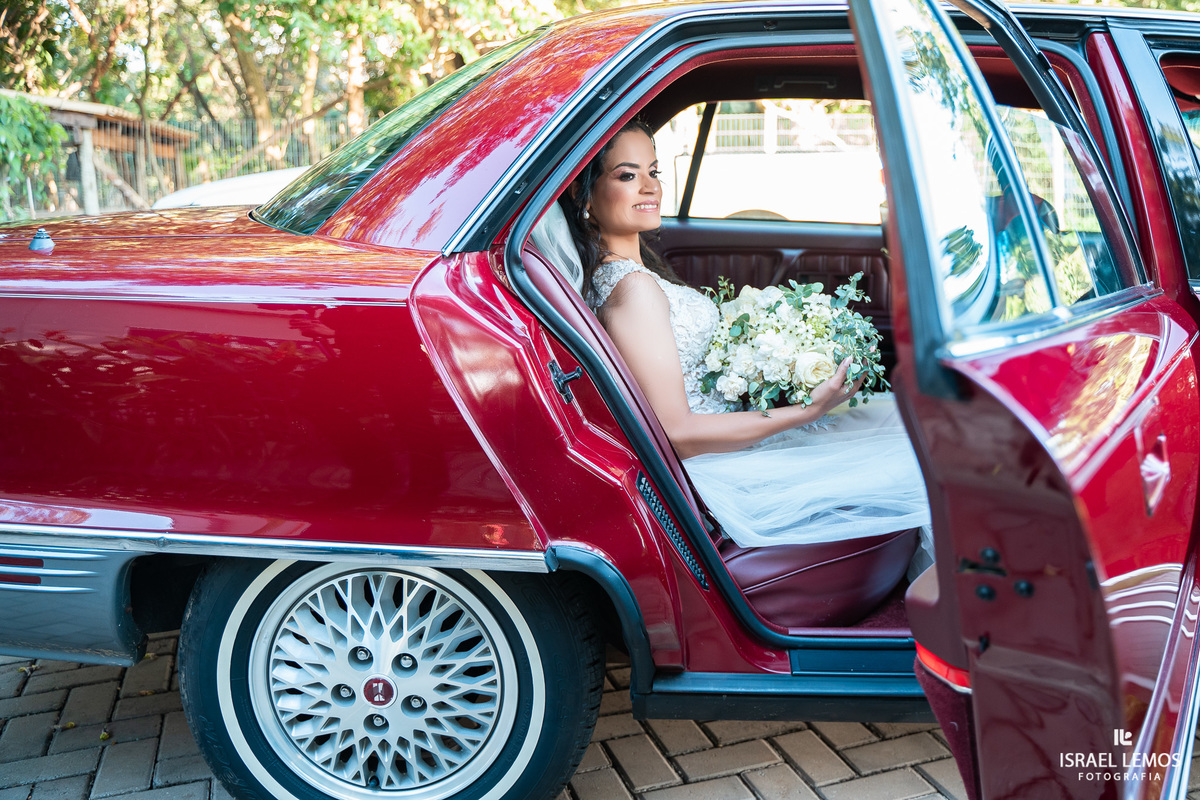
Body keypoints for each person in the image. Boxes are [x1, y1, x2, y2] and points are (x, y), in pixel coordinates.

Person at [562, 118, 932, 566]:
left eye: (653, 172)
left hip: (732, 438)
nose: (650, 187)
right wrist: (805, 410)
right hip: (722, 467)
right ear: (586, 197)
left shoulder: (635, 274)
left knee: (900, 414)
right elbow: (677, 434)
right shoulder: (633, 290)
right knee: (917, 442)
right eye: (627, 175)